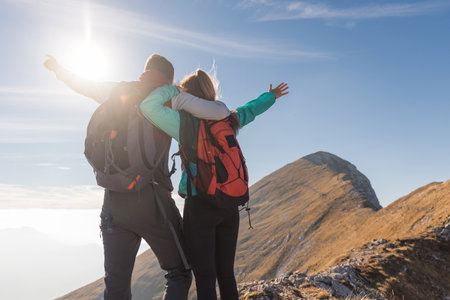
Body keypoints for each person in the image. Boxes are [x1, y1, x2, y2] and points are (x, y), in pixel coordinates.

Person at [43, 55, 231, 300]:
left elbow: (84, 85)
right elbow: (215, 113)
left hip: (113, 203)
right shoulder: (167, 97)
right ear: (169, 77)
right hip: (152, 202)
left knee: (116, 285)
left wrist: (58, 69)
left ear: (146, 71)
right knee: (179, 272)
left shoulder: (118, 91)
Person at [139, 69, 289, 300]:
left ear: (190, 95)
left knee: (205, 278)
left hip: (200, 205)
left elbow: (148, 107)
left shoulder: (184, 123)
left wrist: (173, 89)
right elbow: (250, 110)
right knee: (226, 274)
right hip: (229, 205)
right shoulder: (228, 119)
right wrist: (270, 96)